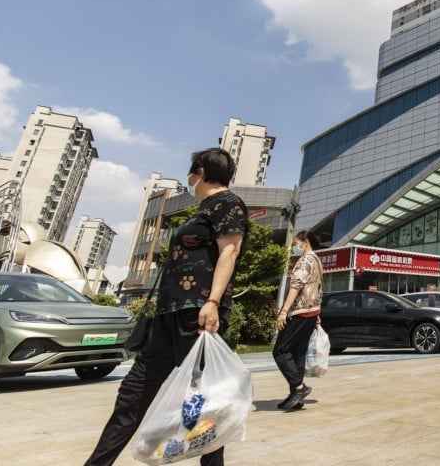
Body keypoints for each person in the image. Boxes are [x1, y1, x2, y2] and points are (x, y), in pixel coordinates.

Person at [86, 148, 247, 466]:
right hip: (167, 314)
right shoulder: (202, 209)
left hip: (196, 313)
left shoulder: (229, 203)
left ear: (200, 173)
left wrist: (213, 302)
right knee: (133, 394)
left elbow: (229, 252)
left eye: (191, 173)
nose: (189, 179)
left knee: (203, 401)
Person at [273, 230, 325, 410]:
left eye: (296, 243)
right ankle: (296, 398)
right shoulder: (317, 260)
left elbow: (296, 286)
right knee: (297, 353)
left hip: (300, 312)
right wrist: (317, 311)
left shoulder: (305, 260)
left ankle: (299, 388)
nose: (295, 247)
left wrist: (284, 311)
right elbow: (319, 288)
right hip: (311, 312)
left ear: (305, 242)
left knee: (280, 351)